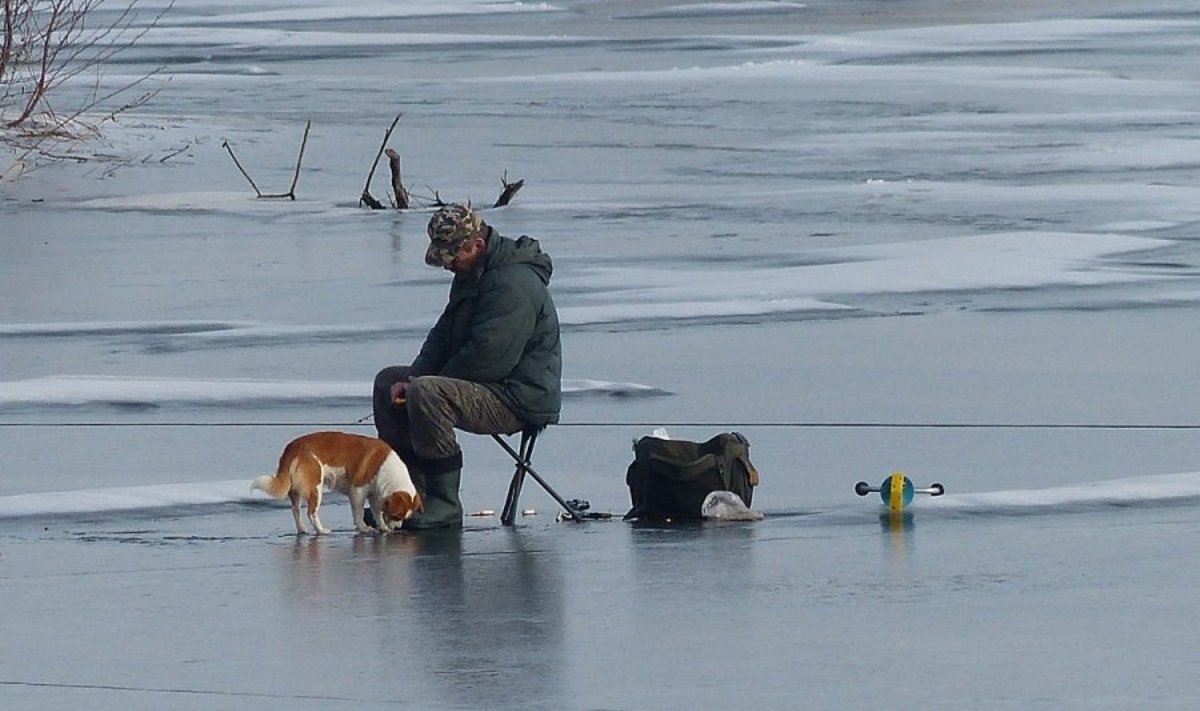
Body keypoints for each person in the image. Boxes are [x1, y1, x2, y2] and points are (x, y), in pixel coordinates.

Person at [373, 204, 562, 529]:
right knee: (388, 380)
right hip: (487, 383)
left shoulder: (512, 284)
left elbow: (488, 358)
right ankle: (407, 495)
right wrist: (415, 376)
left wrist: (424, 386)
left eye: (451, 257)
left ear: (476, 245)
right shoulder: (471, 273)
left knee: (427, 393)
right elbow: (443, 334)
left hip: (518, 397)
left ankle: (443, 503)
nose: (447, 266)